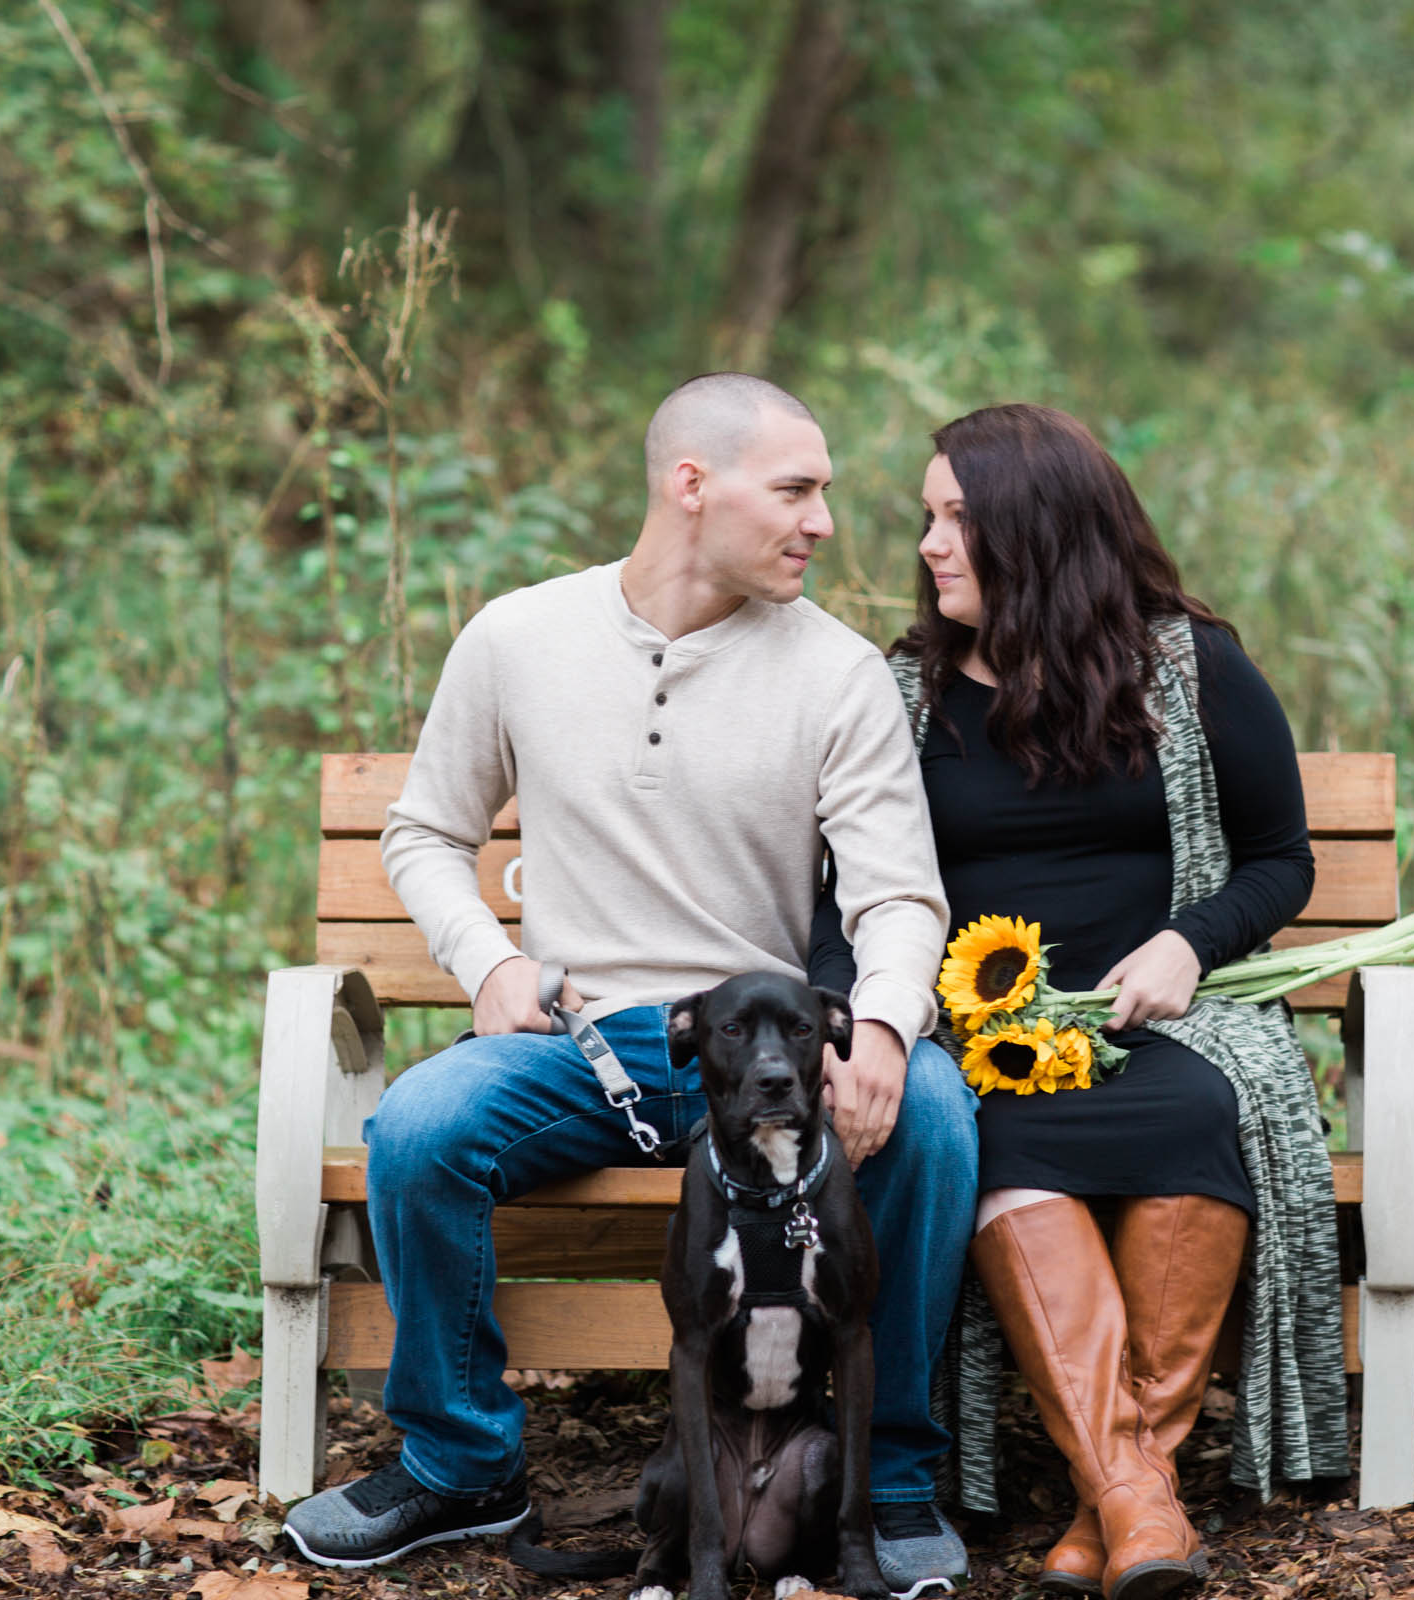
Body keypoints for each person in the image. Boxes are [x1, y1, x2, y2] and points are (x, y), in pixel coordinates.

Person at [282, 374, 979, 1599]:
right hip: (582, 1050)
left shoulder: (838, 672)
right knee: (425, 1125)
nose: (824, 521)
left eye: (826, 494)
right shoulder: (518, 636)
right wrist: (486, 960)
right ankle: (460, 1462)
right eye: (798, 490)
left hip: (760, 1048)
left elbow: (898, 896)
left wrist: (878, 1023)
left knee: (925, 1104)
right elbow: (423, 832)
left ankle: (895, 1481)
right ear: (691, 485)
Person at [811, 403, 1347, 1600]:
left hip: (1163, 1022)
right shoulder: (904, 692)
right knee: (997, 1138)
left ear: (1035, 531)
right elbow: (845, 887)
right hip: (984, 1037)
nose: (930, 544)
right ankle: (1137, 1503)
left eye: (958, 518)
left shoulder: (1188, 666)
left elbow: (1279, 858)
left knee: (1206, 1116)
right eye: (929, 518)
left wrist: (1187, 945)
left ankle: (1111, 1504)